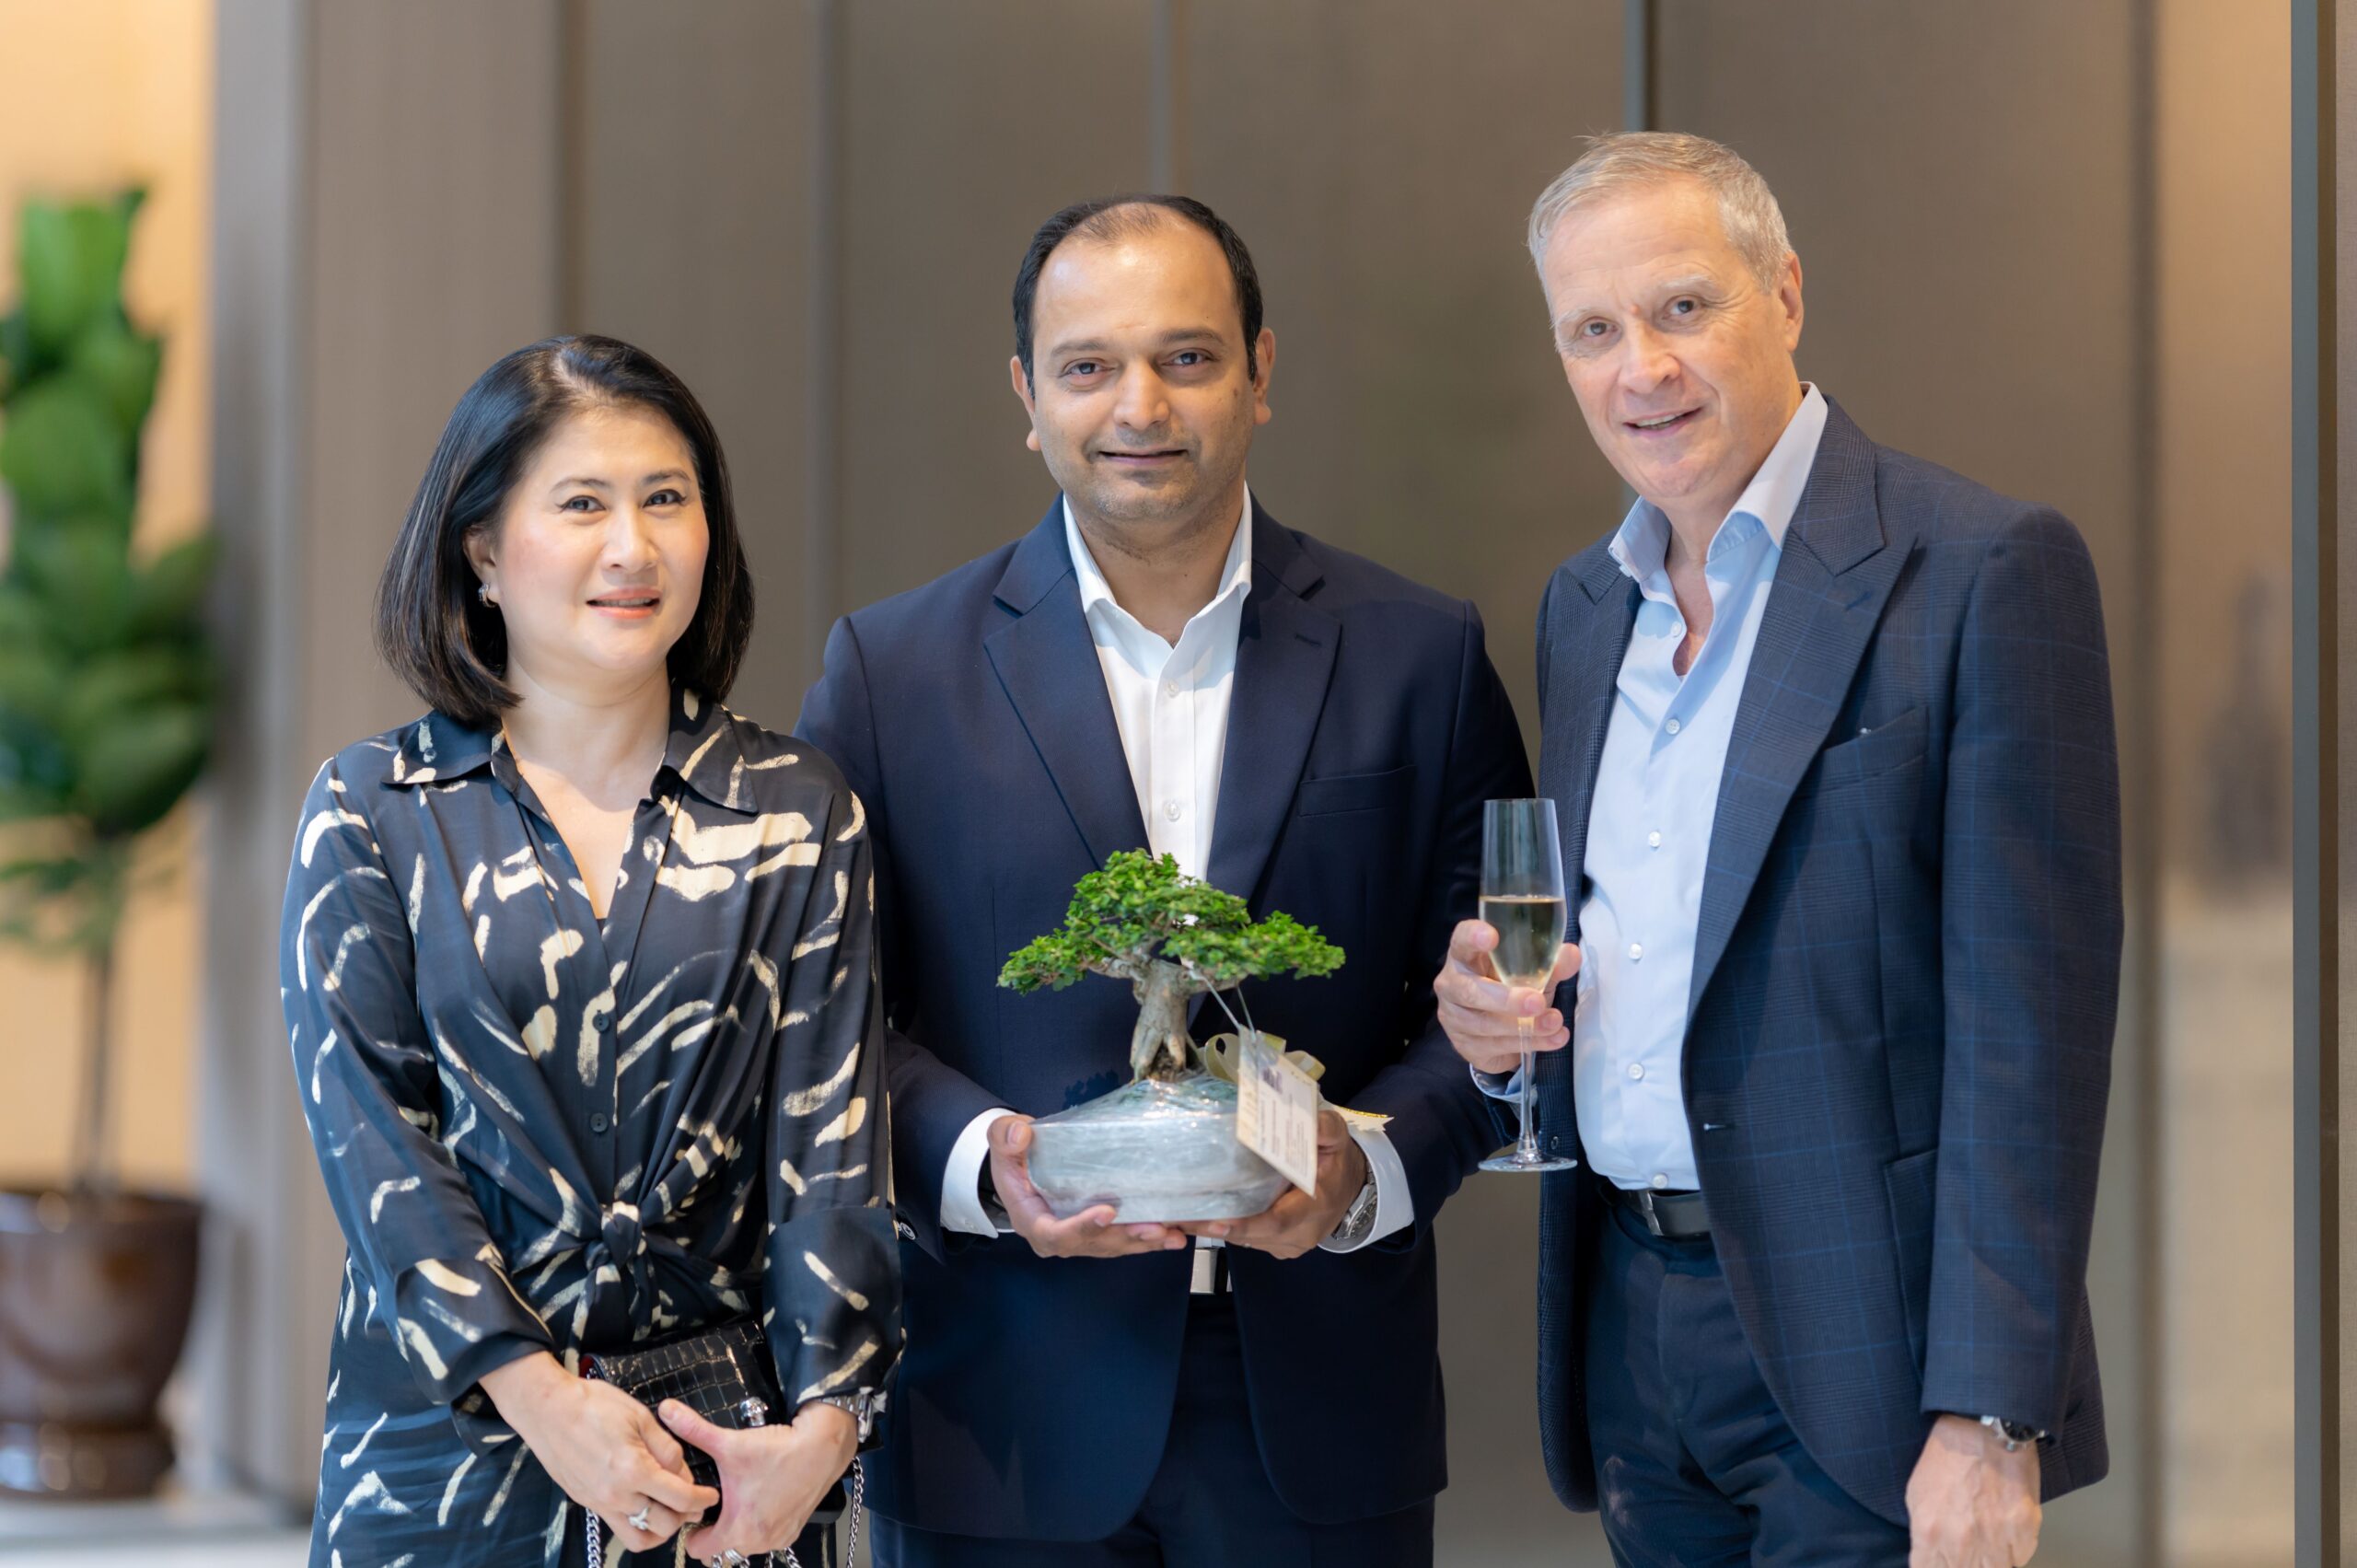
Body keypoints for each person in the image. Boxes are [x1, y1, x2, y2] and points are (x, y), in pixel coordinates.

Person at [795, 195, 1529, 1567]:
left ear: (1261, 371)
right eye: (1088, 366)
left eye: (1187, 358)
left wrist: (1368, 1168)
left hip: (1322, 1409)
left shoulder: (1419, 656)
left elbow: (1493, 1006)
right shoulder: (891, 674)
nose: (1140, 406)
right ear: (1028, 398)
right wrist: (982, 1163)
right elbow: (824, 1022)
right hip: (999, 1411)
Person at [1434, 133, 2120, 1568]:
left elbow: (2030, 1038)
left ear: (1786, 294)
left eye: (1683, 307)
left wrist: (1993, 1413)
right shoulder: (1584, 610)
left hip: (1877, 1365)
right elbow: (1638, 955)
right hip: (1631, 1338)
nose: (1643, 369)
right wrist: (1506, 1028)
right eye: (1593, 331)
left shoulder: (1981, 569)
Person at [281, 335, 900, 1567]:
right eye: (582, 505)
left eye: (667, 499)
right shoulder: (371, 811)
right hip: (445, 1461)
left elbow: (833, 1158)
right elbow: (377, 1153)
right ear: (481, 549)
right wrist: (544, 1403)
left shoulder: (795, 810)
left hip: (725, 1470)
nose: (633, 548)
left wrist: (825, 1434)